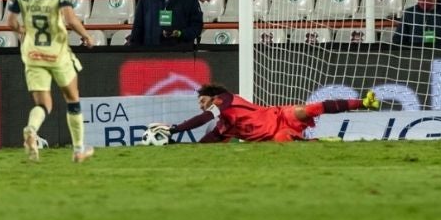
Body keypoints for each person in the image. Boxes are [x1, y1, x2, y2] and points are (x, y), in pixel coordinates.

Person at [7, 0, 95, 163]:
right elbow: (69, 19)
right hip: (56, 52)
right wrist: (86, 36)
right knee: (72, 99)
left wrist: (22, 29)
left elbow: (10, 22)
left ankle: (31, 129)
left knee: (42, 105)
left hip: (32, 53)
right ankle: (78, 150)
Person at [163, 84, 380, 143]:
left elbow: (205, 118)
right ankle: (324, 141)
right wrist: (175, 145)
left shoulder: (226, 99)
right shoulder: (223, 127)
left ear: (213, 97)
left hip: (279, 115)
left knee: (309, 109)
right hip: (273, 135)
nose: (202, 106)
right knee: (284, 142)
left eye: (203, 101)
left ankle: (363, 102)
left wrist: (175, 129)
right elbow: (204, 145)